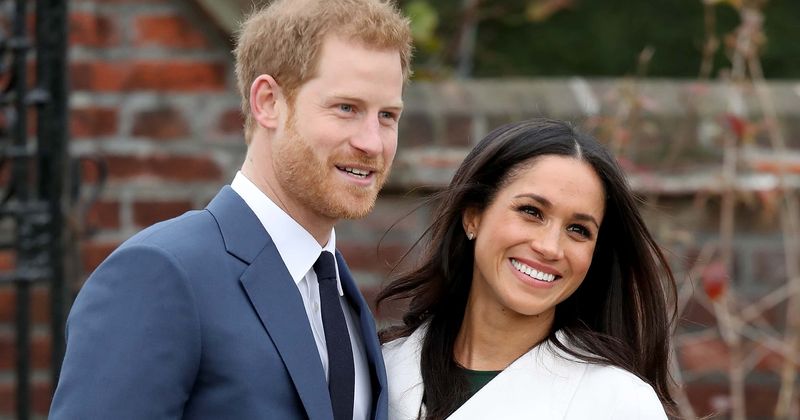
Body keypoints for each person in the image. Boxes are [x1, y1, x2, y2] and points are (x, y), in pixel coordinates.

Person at [50, 0, 411, 419]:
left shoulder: (341, 296)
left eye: (387, 115)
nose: (373, 142)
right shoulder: (161, 273)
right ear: (268, 102)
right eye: (346, 108)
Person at [378, 119, 677, 419]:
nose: (550, 247)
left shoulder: (619, 404)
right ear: (473, 216)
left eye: (578, 229)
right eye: (531, 212)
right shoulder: (381, 370)